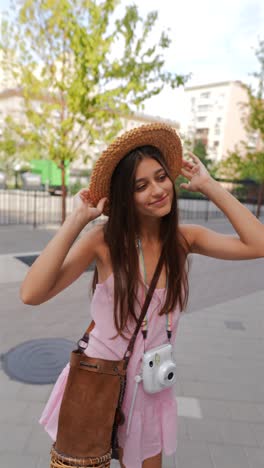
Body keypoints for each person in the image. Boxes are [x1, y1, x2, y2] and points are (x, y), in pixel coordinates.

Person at [20, 123, 264, 468]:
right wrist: (77, 220)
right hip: (98, 379)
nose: (157, 190)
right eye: (141, 185)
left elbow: (259, 244)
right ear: (125, 196)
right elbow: (31, 293)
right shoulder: (104, 242)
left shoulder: (184, 239)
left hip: (151, 385)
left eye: (161, 177)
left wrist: (209, 186)